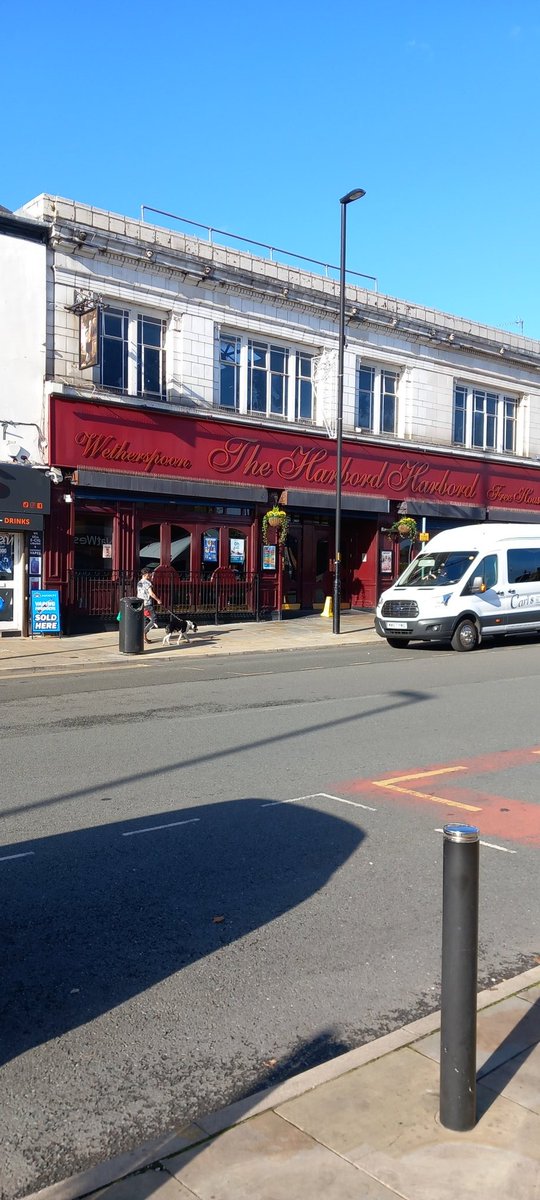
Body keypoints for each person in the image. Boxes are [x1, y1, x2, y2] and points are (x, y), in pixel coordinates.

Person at [137, 568, 161, 643]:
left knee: (145, 621)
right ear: (146, 574)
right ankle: (143, 633)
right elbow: (151, 593)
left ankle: (144, 637)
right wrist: (158, 600)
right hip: (147, 604)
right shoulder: (147, 583)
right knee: (154, 619)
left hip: (141, 604)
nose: (151, 575)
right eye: (150, 574)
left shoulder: (139, 582)